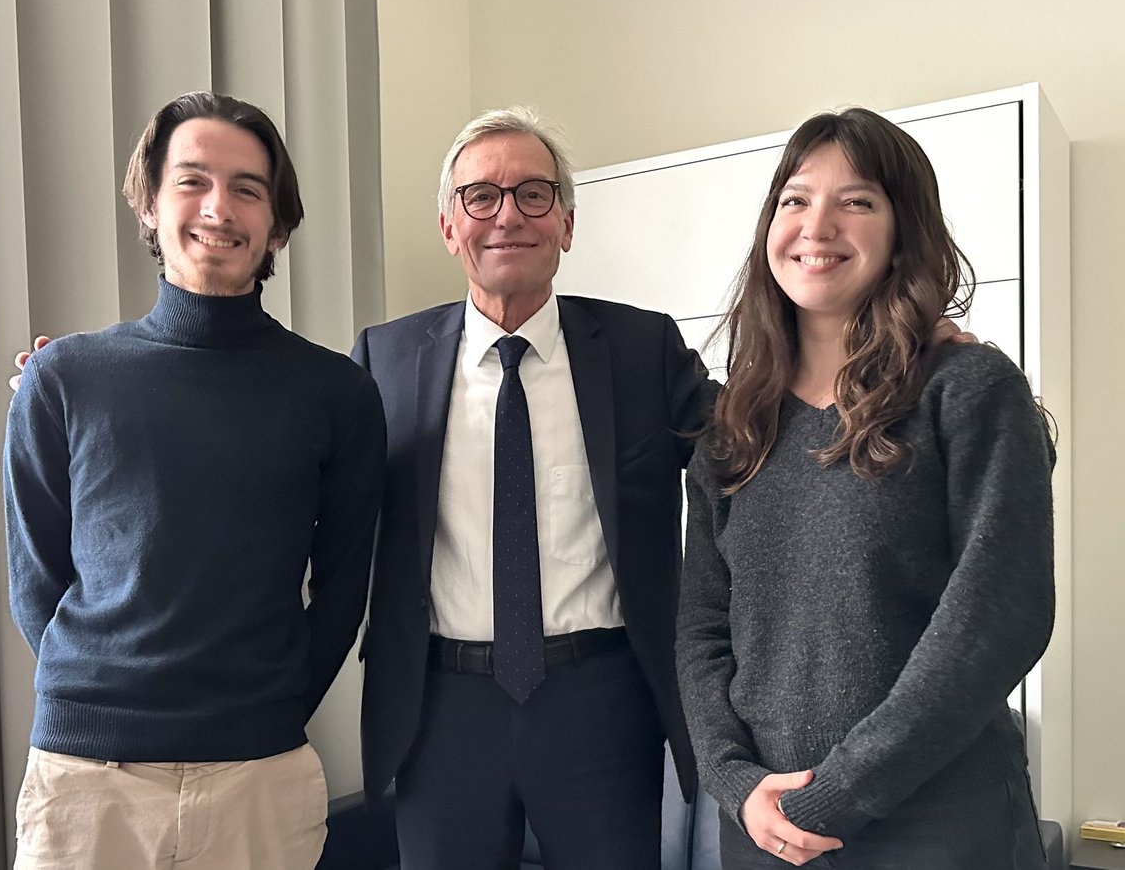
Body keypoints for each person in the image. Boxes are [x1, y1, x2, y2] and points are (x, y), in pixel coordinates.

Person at [4, 92, 386, 870]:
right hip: (87, 781)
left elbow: (344, 588)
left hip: (261, 776)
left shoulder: (336, 393)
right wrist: (102, 694)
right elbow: (34, 579)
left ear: (277, 225)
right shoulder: (63, 378)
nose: (219, 207)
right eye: (192, 181)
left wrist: (268, 710)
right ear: (150, 204)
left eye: (248, 188)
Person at [675, 107, 1055, 869]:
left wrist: (840, 794)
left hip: (938, 823)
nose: (817, 225)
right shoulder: (732, 428)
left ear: (901, 230)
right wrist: (736, 782)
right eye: (795, 199)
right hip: (765, 828)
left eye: (856, 201)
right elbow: (702, 630)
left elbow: (997, 620)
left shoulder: (968, 388)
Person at [352, 106, 717, 869]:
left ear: (567, 223)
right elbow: (303, 478)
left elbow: (755, 442)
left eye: (534, 194)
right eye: (481, 196)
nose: (508, 215)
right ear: (450, 226)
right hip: (440, 711)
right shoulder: (385, 360)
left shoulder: (641, 349)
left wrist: (899, 358)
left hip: (602, 703)